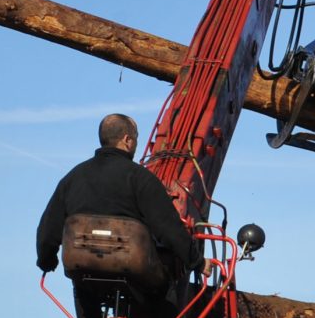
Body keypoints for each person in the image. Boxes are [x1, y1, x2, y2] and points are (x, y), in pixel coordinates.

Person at [34, 114, 202, 292]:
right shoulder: (141, 179)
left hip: (86, 275)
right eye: (136, 138)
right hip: (138, 279)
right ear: (127, 140)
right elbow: (168, 227)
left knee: (82, 288)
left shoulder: (73, 178)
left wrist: (46, 261)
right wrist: (197, 261)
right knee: (167, 286)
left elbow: (48, 227)